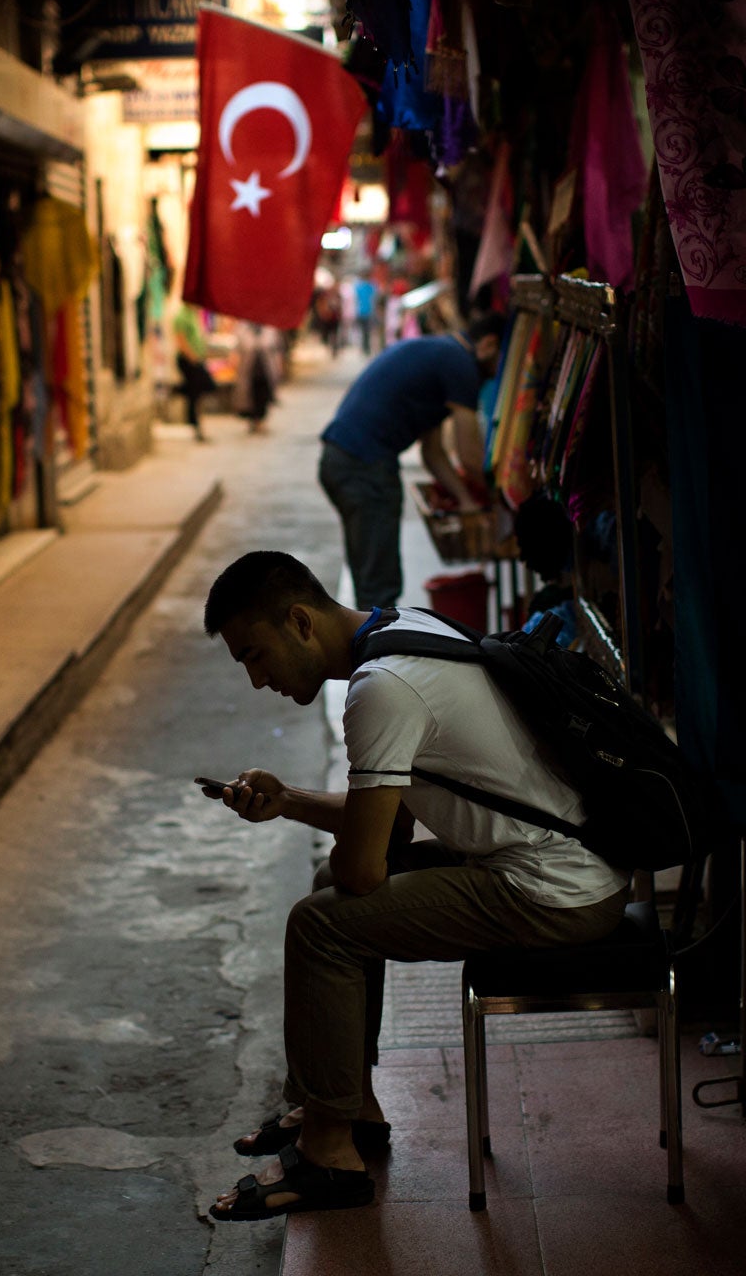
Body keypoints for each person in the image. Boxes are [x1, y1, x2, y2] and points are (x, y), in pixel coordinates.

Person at [197, 552, 627, 1220]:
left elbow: (367, 866)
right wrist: (287, 801)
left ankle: (329, 1155)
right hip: (571, 862)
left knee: (320, 925)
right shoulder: (405, 629)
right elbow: (388, 827)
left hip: (554, 891)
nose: (258, 680)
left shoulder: (381, 690)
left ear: (299, 622)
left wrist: (353, 852)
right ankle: (347, 1106)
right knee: (324, 886)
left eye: (256, 655)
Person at [318, 313, 505, 609]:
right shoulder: (461, 364)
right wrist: (498, 499)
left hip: (340, 459)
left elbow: (433, 453)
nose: (496, 377)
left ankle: (367, 644)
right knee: (379, 586)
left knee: (370, 574)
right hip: (363, 465)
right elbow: (470, 456)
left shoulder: (441, 353)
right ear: (489, 345)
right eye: (500, 366)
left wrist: (465, 498)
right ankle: (375, 649)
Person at [172, 303, 215, 441]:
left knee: (199, 390)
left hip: (197, 358)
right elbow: (181, 339)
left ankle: (178, 390)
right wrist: (192, 357)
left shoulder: (194, 315)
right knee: (196, 391)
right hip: (189, 359)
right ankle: (196, 425)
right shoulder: (181, 316)